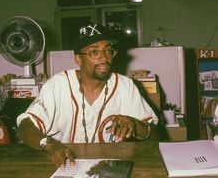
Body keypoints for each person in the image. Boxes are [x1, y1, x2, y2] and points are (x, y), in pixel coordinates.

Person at [16, 23, 159, 168]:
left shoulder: (125, 86)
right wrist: (50, 145)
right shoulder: (58, 85)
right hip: (63, 166)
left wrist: (135, 124)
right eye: (94, 52)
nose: (104, 58)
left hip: (110, 167)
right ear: (78, 59)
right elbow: (24, 127)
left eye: (108, 51)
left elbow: (155, 136)